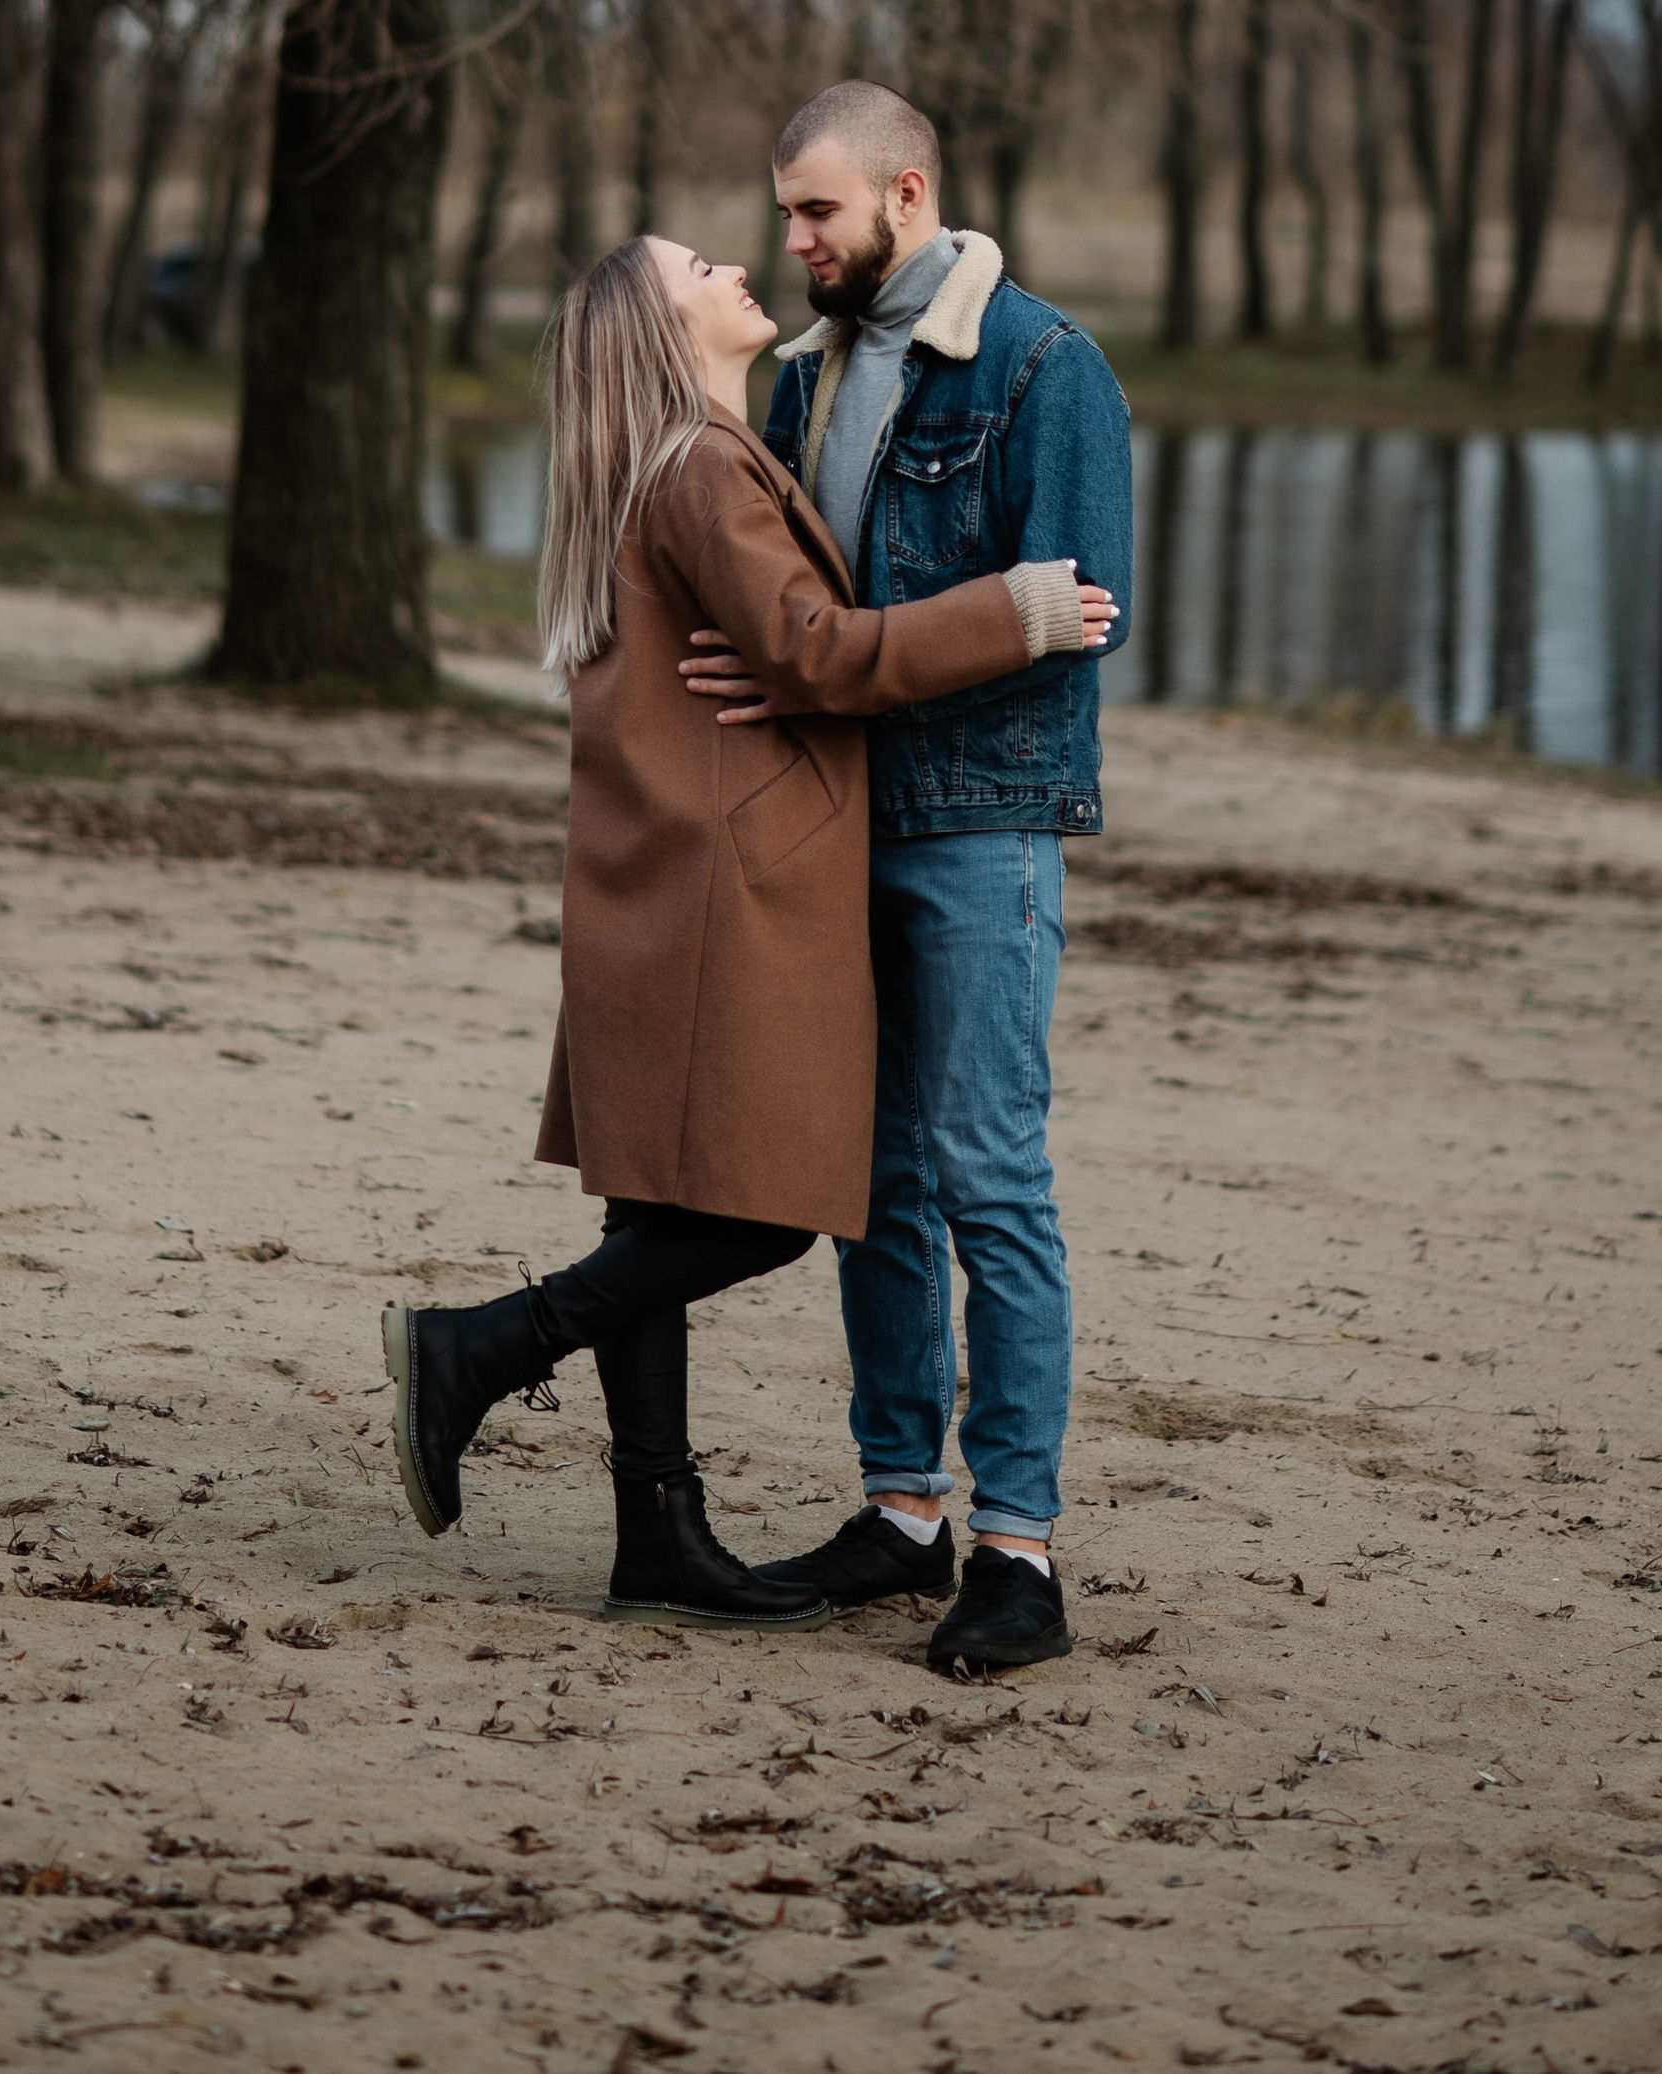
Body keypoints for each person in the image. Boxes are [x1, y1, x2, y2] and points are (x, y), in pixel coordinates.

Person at [381, 230, 1113, 1631]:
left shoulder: (666, 464)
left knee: (653, 1203)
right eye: (701, 266)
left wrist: (798, 656)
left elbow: (792, 651)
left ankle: (657, 1523)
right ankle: (474, 1347)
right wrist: (1015, 611)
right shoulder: (703, 467)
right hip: (720, 890)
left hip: (652, 879)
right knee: (777, 1210)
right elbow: (821, 653)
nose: (737, 266)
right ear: (665, 333)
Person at [684, 82, 1133, 1674]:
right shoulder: (808, 378)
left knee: (990, 1180)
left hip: (983, 829)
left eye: (817, 211)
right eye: (785, 211)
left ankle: (1017, 1551)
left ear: (906, 190)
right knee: (875, 1186)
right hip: (841, 829)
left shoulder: (1042, 365)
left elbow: (1080, 617)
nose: (793, 238)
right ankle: (900, 1513)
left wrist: (829, 680)